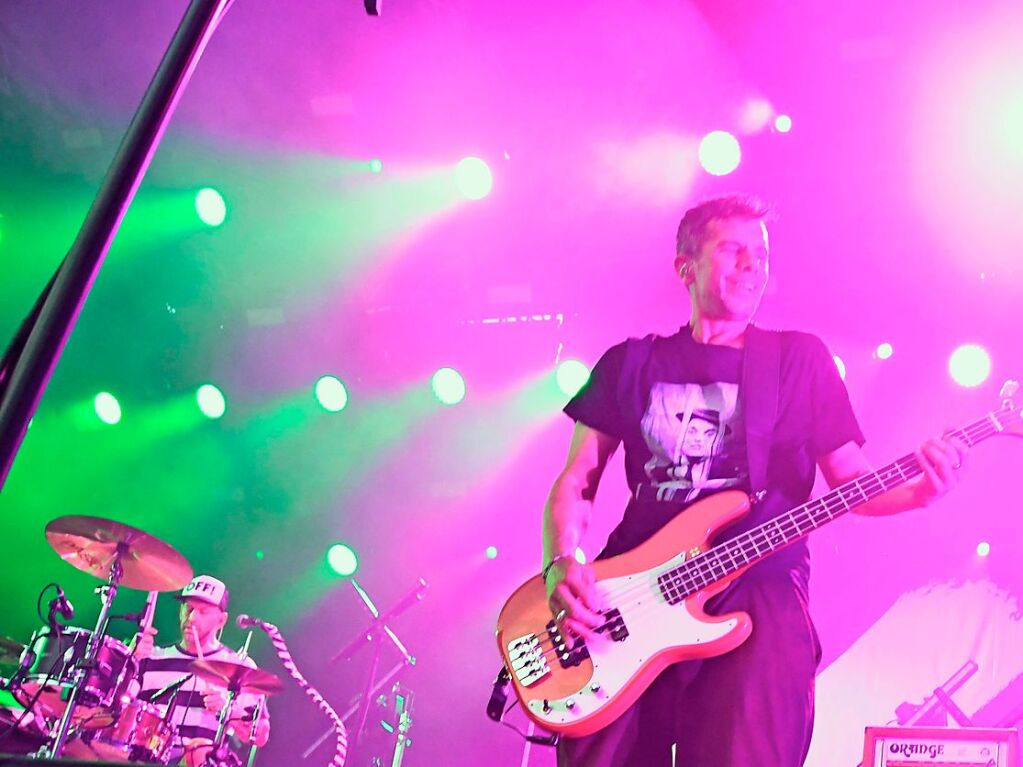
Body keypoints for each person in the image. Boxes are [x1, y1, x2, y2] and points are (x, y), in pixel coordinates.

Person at [542, 195, 968, 766]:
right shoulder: (631, 363)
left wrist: (921, 492)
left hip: (758, 591)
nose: (753, 266)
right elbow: (577, 480)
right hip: (631, 597)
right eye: (735, 251)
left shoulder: (799, 360)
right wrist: (562, 562)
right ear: (685, 266)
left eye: (762, 255)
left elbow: (851, 481)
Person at [132, 575, 271, 766]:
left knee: (200, 750)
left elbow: (260, 735)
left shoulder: (239, 667)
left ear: (221, 620)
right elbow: (113, 712)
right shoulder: (152, 657)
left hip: (200, 760)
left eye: (203, 612)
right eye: (188, 608)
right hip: (145, 757)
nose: (191, 618)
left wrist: (228, 710)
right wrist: (130, 660)